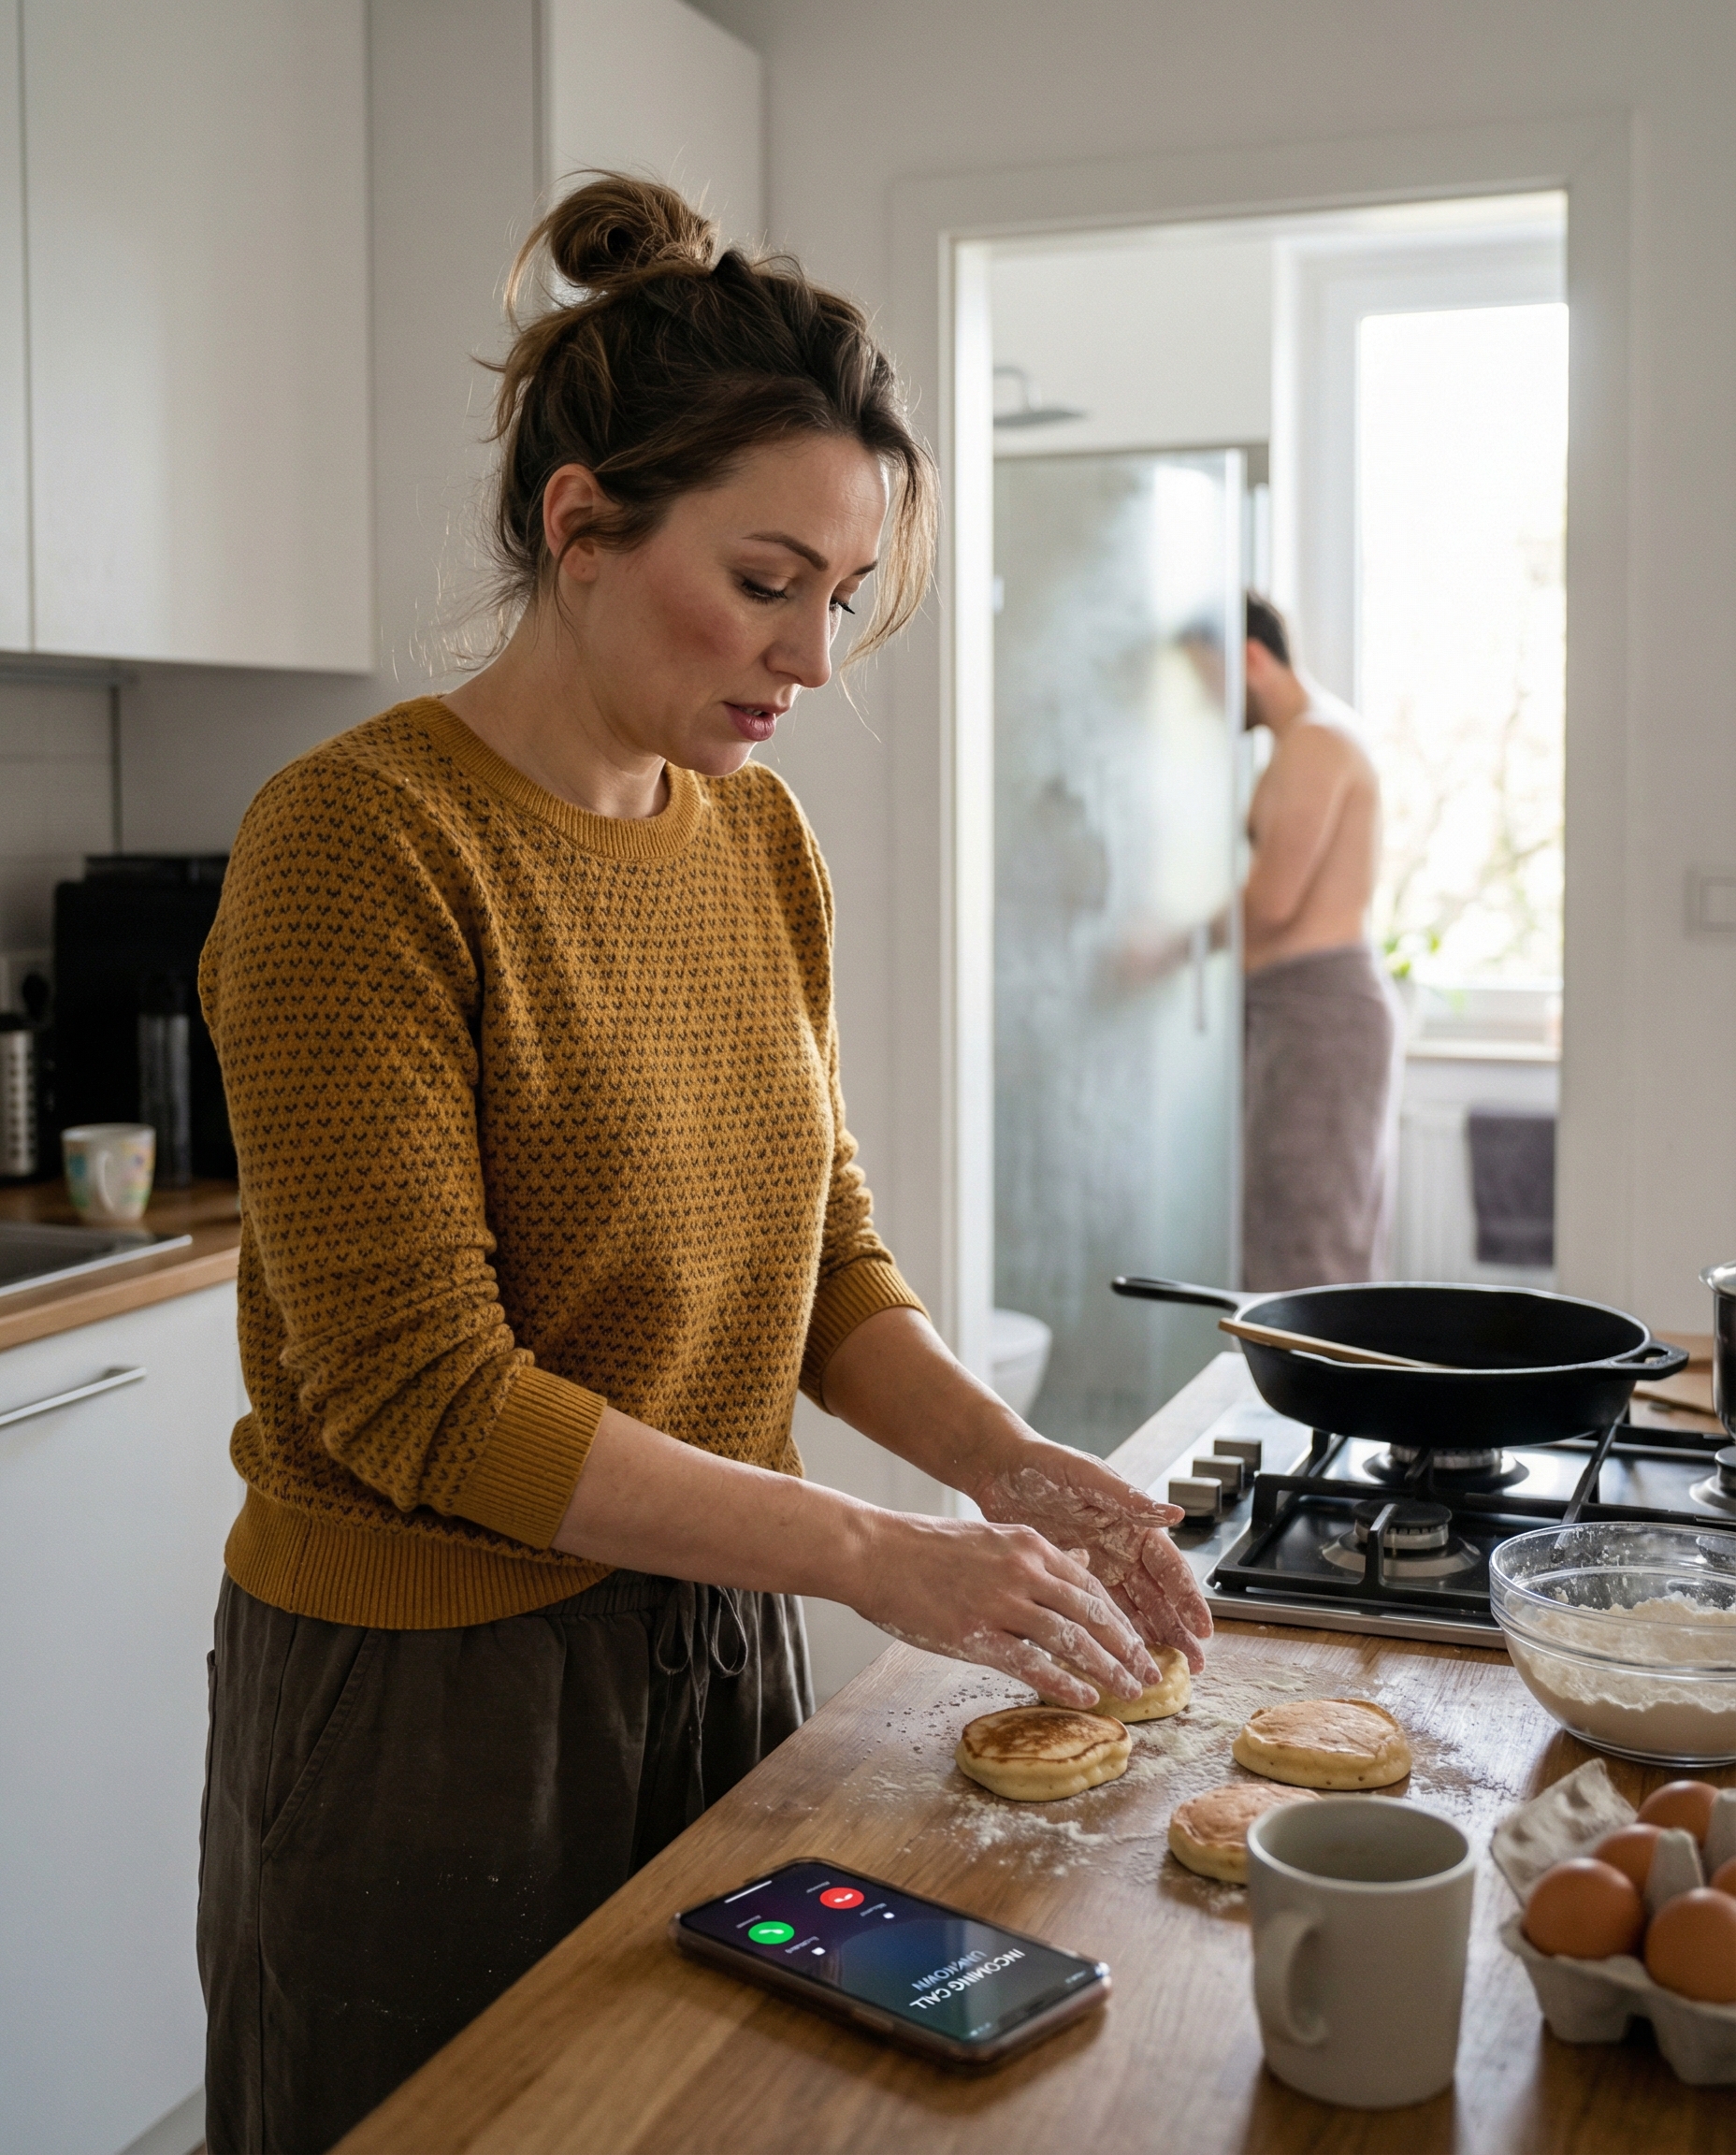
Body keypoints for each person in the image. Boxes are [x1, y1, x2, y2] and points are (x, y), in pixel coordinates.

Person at [195, 175, 1211, 2155]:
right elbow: (422, 1398)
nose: (812, 659)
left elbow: (819, 1258)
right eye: (766, 582)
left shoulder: (756, 843)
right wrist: (878, 1554)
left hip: (715, 1633)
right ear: (580, 524)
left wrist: (1000, 1468)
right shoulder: (359, 846)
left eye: (840, 596)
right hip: (430, 1703)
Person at [1239, 592, 1397, 1290]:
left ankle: (1325, 1402)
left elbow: (1272, 902)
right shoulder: (1308, 740)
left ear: (1250, 658)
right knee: (1301, 1234)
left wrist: (1165, 945)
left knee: (1311, 1247)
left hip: (1319, 1010)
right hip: (1304, 1012)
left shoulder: (1316, 741)